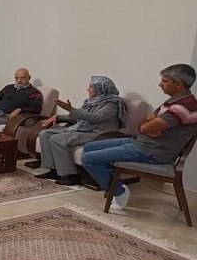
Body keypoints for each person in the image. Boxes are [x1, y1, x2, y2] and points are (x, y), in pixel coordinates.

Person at [82, 64, 197, 210]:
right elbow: (144, 124)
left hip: (153, 151)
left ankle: (119, 192)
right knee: (89, 147)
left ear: (179, 84)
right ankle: (113, 183)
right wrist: (147, 126)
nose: (160, 84)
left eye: (165, 81)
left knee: (89, 159)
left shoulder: (182, 108)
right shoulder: (174, 102)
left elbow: (144, 127)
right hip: (141, 142)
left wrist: (147, 127)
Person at [37, 76, 127, 186]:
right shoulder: (91, 101)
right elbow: (80, 117)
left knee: (57, 139)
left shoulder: (112, 104)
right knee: (45, 134)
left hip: (98, 134)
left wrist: (70, 109)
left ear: (101, 88)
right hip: (84, 130)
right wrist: (58, 117)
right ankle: (53, 170)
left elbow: (95, 118)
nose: (87, 89)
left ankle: (70, 176)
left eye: (91, 87)